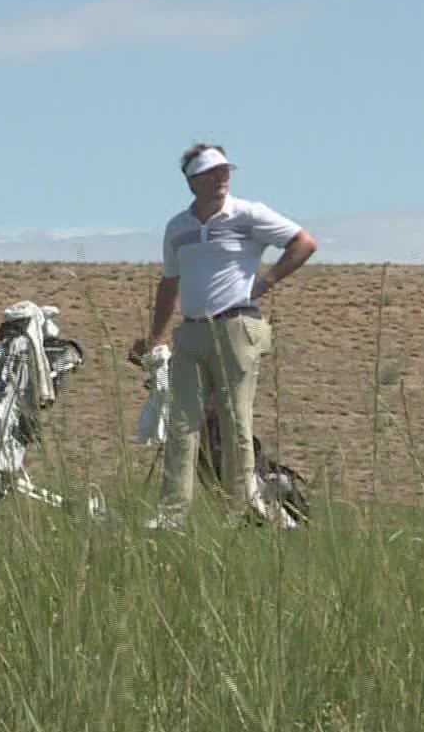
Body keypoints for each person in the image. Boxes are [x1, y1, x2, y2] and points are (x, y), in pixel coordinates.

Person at [128, 142, 317, 529]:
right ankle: (171, 514)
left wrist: (266, 282)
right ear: (193, 181)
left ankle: (241, 509)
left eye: (225, 171)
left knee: (235, 421)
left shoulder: (249, 214)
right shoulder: (178, 227)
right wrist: (155, 337)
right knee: (182, 424)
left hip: (236, 326)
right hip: (192, 332)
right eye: (212, 173)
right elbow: (170, 282)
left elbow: (303, 243)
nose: (222, 178)